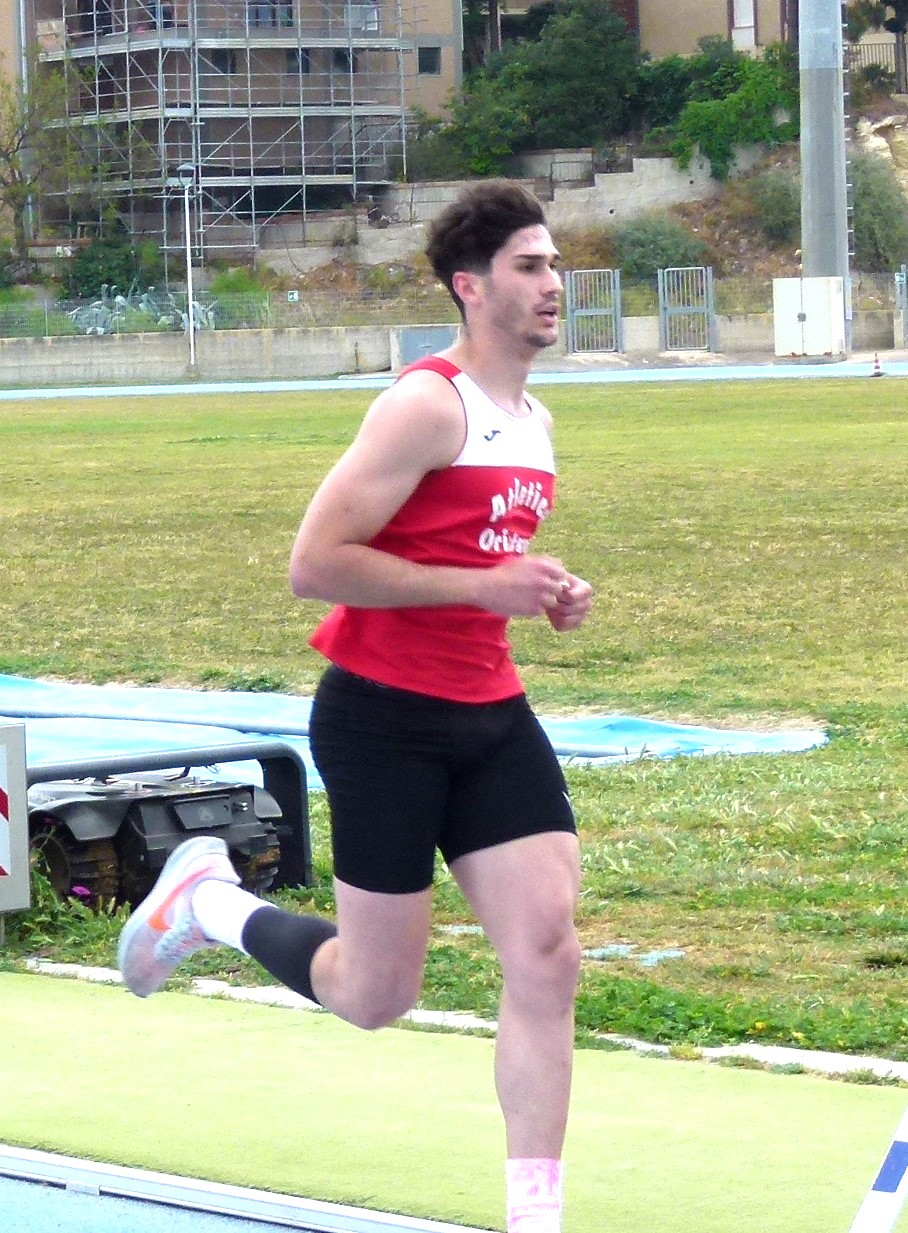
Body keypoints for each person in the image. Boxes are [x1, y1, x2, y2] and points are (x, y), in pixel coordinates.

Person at [118, 178, 594, 1233]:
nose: (552, 284)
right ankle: (207, 903)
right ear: (470, 287)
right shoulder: (426, 404)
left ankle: (536, 1216)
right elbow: (316, 564)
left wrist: (544, 591)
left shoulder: (533, 420)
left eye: (554, 265)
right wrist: (482, 587)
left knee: (547, 953)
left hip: (491, 713)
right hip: (384, 719)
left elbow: (479, 560)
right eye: (528, 267)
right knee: (374, 997)